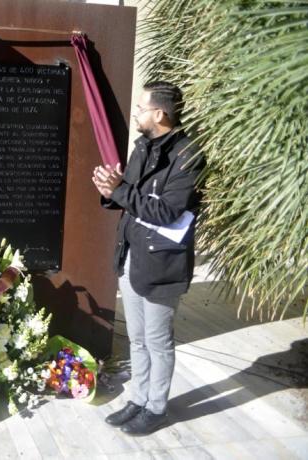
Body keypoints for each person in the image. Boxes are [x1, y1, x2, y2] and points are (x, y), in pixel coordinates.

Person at [92, 81, 205, 436]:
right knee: (137, 340)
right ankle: (139, 399)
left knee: (158, 342)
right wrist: (111, 190)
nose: (137, 114)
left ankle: (156, 408)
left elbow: (168, 211)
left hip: (161, 266)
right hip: (132, 256)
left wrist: (120, 190)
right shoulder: (143, 146)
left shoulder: (188, 154)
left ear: (160, 113)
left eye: (142, 108)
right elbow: (132, 196)